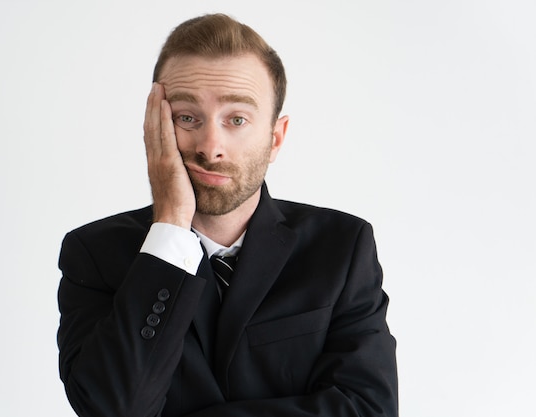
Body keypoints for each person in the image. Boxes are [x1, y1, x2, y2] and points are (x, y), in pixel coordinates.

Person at [57, 13, 398, 417]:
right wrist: (170, 225)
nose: (210, 146)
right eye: (187, 118)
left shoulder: (342, 246)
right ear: (155, 127)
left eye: (236, 119)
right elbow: (113, 409)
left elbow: (367, 408)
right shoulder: (94, 253)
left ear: (275, 139)